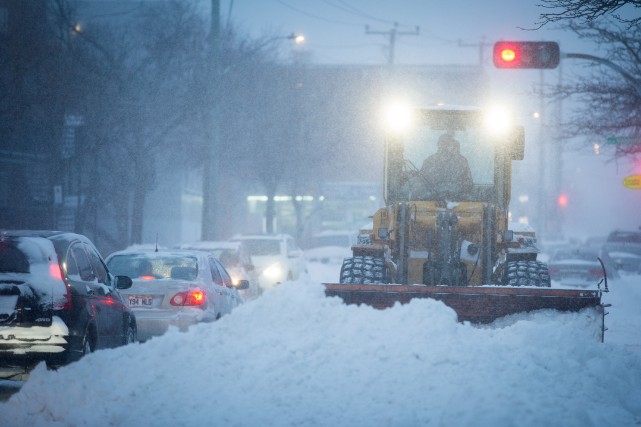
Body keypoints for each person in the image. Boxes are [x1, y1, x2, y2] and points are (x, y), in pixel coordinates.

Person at [419, 133, 473, 200]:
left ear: (451, 145)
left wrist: (457, 191)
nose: (444, 146)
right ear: (438, 145)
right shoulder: (429, 162)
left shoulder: (461, 161)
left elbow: (468, 183)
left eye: (447, 144)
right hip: (432, 201)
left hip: (459, 202)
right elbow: (421, 183)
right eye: (442, 143)